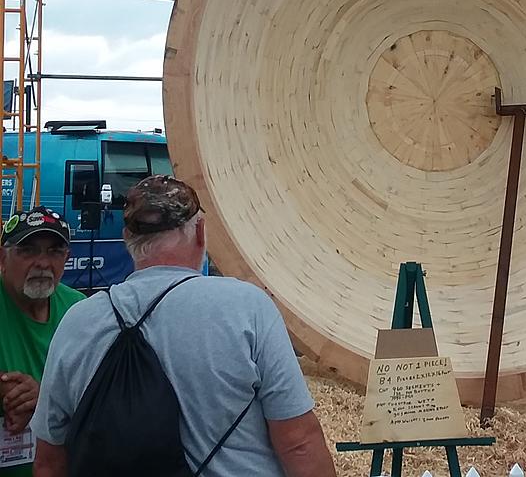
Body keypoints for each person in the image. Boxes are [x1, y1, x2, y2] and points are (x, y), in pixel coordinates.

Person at [31, 175, 337, 477]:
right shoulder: (247, 308)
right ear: (201, 232)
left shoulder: (77, 320)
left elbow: (49, 461)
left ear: (127, 237)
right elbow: (298, 443)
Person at [0, 206, 84, 477]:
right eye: (28, 250)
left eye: (54, 252)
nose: (43, 263)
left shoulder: (80, 310)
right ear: (2, 257)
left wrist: (46, 401)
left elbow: (101, 391)